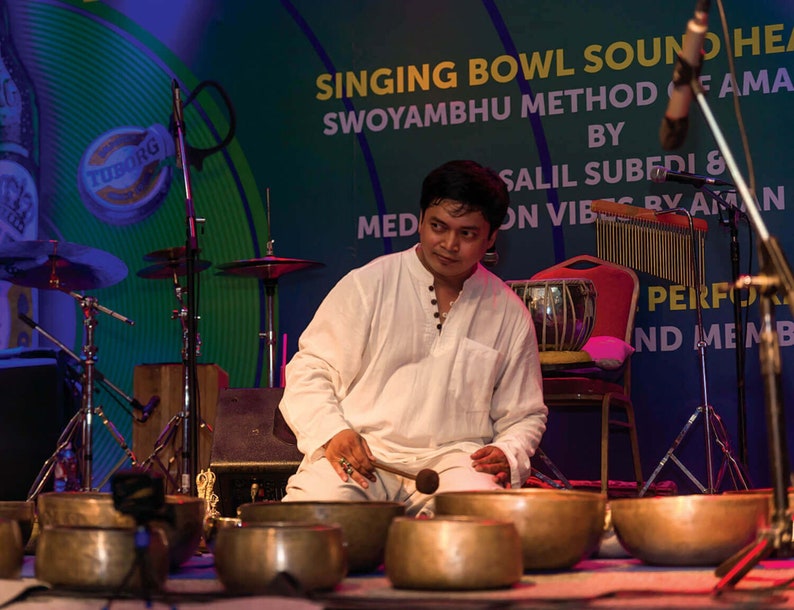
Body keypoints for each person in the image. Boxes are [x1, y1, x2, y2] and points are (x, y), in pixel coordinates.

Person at [278, 159, 548, 515]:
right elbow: (310, 370)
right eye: (439, 226)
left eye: (467, 233)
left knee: (479, 526)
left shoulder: (509, 312)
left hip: (456, 464)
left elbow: (524, 414)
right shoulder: (369, 285)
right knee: (309, 522)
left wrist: (509, 451)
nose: (449, 244)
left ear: (491, 237)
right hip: (365, 456)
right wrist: (332, 432)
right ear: (420, 219)